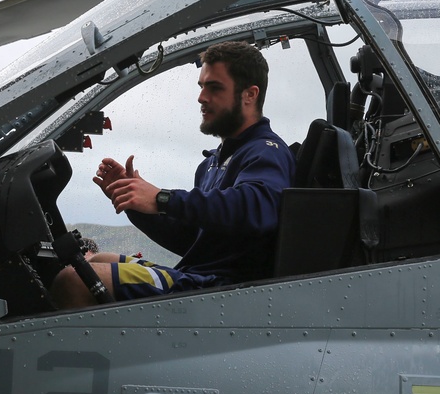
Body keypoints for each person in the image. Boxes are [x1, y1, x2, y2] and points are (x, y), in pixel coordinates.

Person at [51, 41, 295, 307]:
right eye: (201, 87)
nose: (202, 97)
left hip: (223, 289)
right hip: (197, 276)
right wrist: (136, 203)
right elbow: (190, 240)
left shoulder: (266, 151)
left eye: (214, 88)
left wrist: (161, 199)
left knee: (73, 279)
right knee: (95, 261)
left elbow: (259, 207)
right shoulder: (212, 163)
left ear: (250, 94)